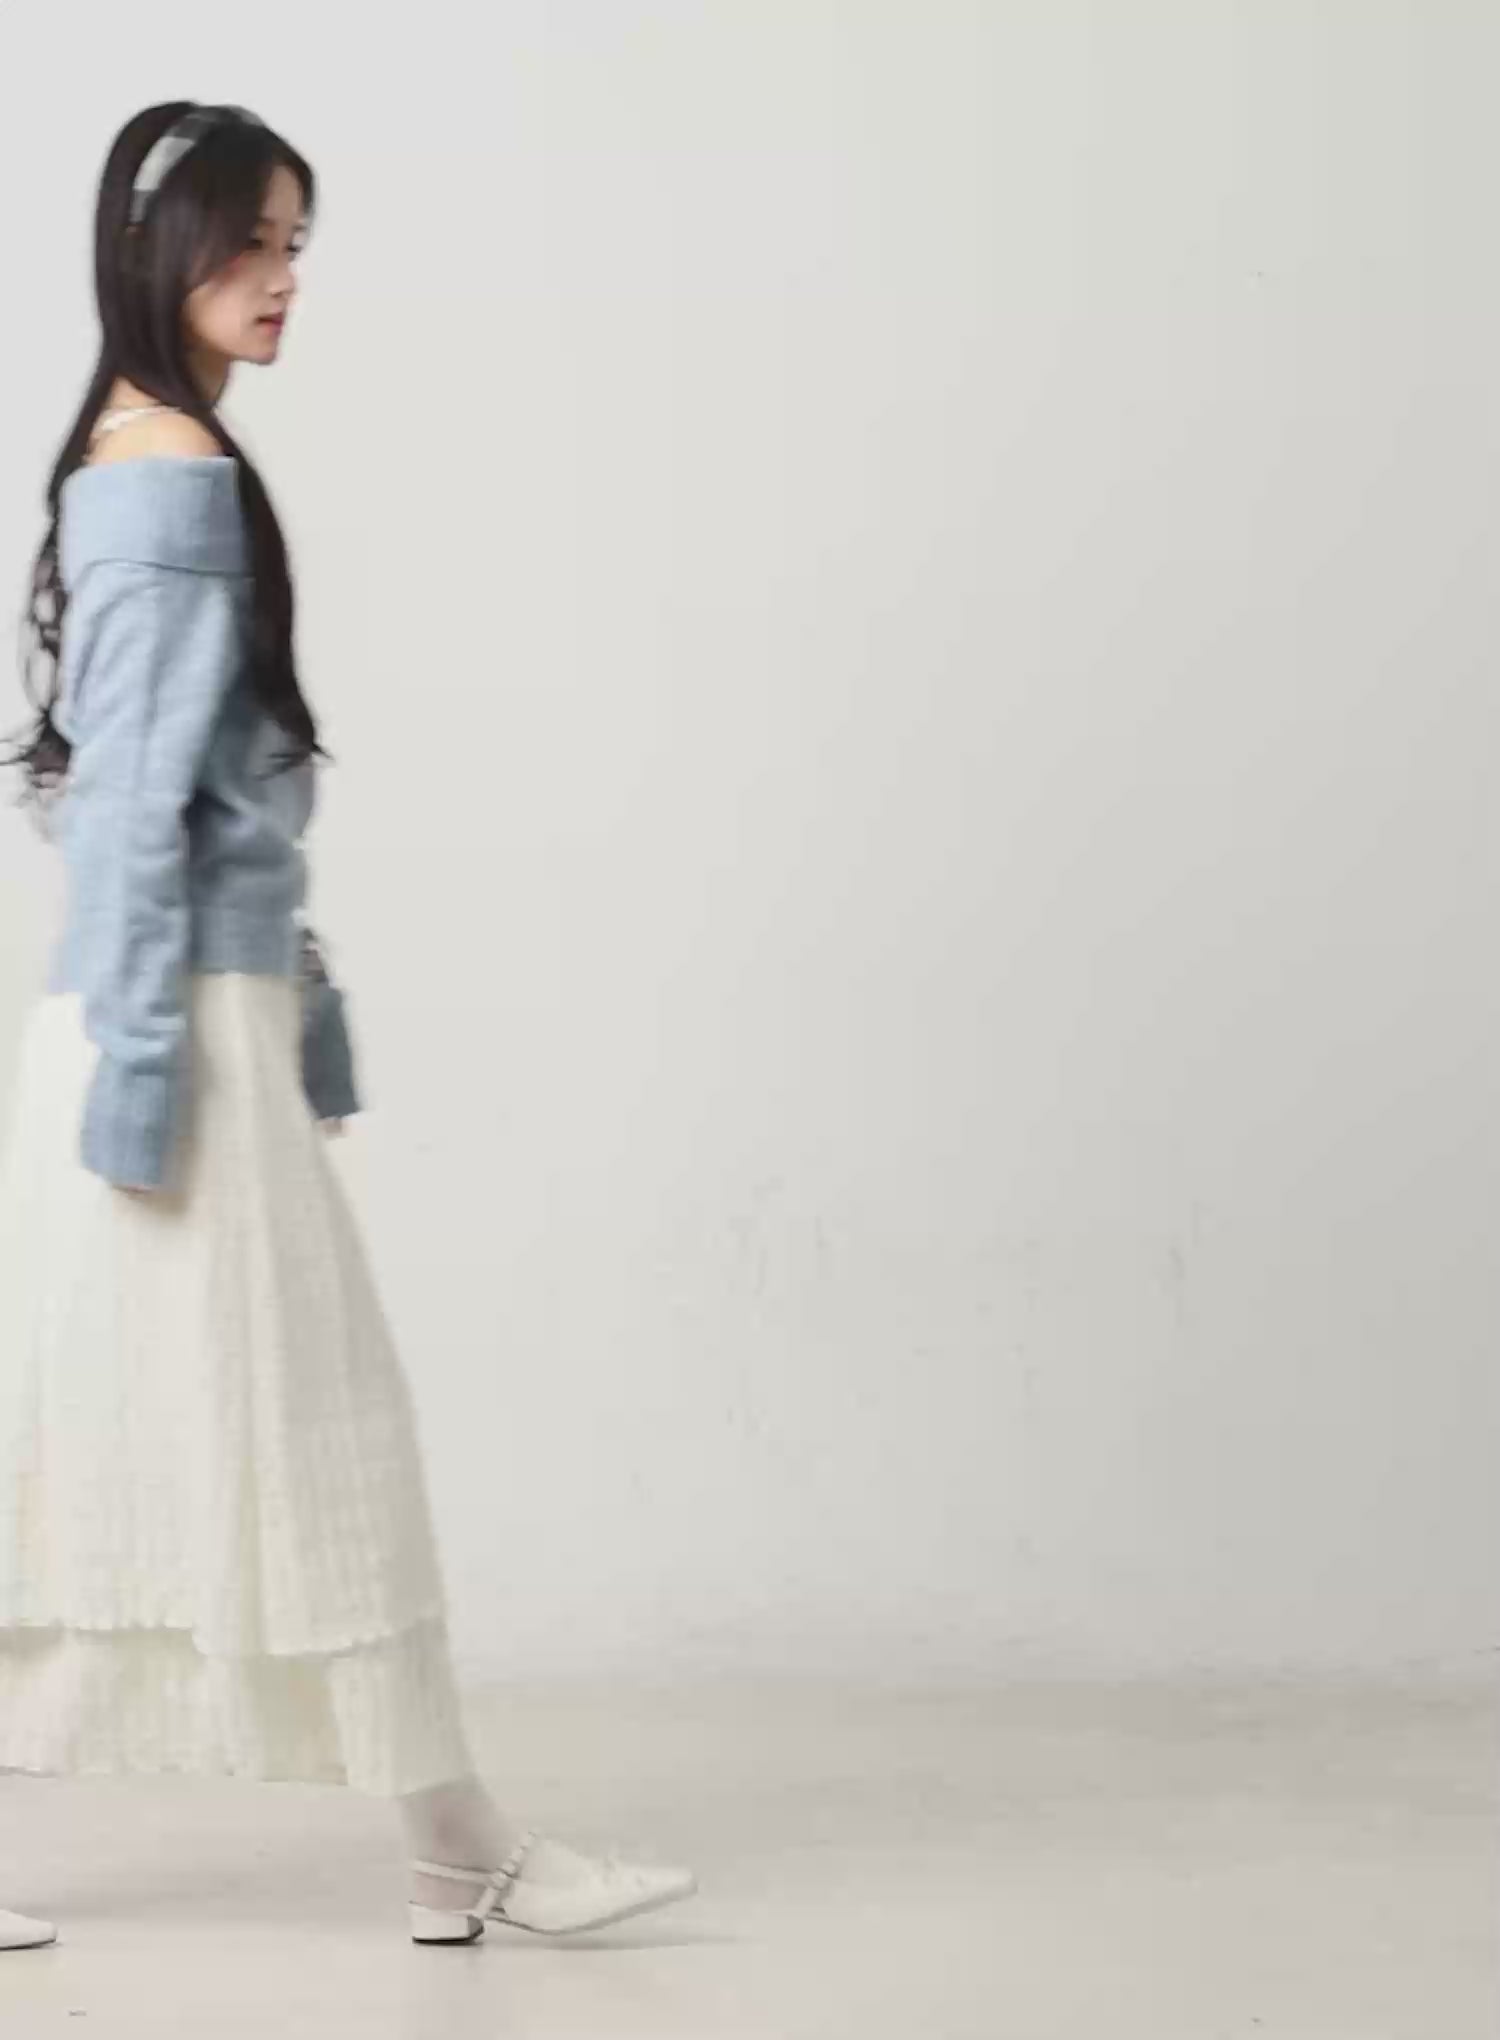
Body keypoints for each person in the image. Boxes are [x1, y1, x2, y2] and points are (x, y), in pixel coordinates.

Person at [0, 100, 697, 1952]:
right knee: (298, 1436)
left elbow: (133, 789)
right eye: (252, 241)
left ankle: (463, 1847)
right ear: (160, 252)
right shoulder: (169, 476)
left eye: (299, 244)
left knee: (107, 1439)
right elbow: (130, 803)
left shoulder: (130, 455)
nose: (284, 278)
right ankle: (467, 1850)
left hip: (163, 1019)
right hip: (168, 1036)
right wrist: (153, 1071)